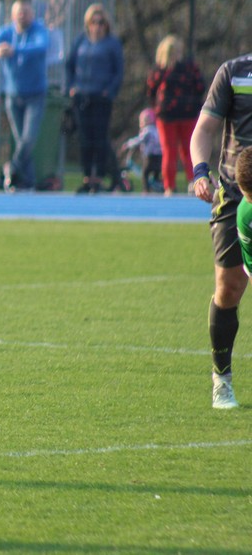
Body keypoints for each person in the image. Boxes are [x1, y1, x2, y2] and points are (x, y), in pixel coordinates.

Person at [190, 51, 252, 410]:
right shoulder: (233, 72)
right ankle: (222, 380)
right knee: (229, 288)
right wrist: (200, 170)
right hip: (235, 194)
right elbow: (205, 129)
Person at [0, 1, 49, 191]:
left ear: (32, 14)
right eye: (18, 12)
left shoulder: (38, 30)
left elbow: (42, 47)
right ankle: (29, 181)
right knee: (21, 142)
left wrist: (14, 50)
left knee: (28, 139)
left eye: (25, 12)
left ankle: (12, 168)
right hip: (13, 95)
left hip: (36, 95)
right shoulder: (7, 32)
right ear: (12, 15)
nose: (22, 16)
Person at [65, 3, 124, 193]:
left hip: (101, 98)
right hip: (82, 97)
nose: (97, 26)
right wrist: (71, 87)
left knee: (99, 139)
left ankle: (98, 177)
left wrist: (110, 91)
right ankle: (86, 178)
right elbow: (69, 65)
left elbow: (118, 71)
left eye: (100, 22)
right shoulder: (81, 41)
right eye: (93, 22)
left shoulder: (112, 43)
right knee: (85, 139)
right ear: (88, 23)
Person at [146, 34, 205, 195]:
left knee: (174, 151)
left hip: (174, 115)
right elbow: (200, 86)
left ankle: (173, 186)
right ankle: (190, 183)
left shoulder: (163, 70)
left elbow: (150, 90)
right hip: (180, 114)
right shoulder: (187, 68)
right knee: (185, 150)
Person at [119, 108, 162, 193]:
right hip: (160, 156)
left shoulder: (147, 131)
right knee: (156, 173)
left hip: (150, 156)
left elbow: (139, 140)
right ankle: (158, 185)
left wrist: (128, 144)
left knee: (145, 173)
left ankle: (146, 190)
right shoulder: (157, 130)